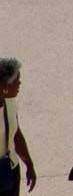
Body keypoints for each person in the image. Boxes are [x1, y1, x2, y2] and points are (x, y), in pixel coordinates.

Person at [1, 58, 34, 196]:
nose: (19, 84)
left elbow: (16, 134)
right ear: (4, 85)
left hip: (10, 169)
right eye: (16, 80)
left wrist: (29, 164)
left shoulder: (10, 103)